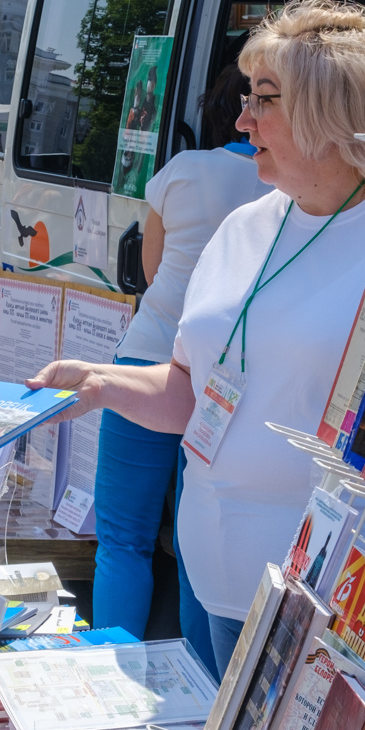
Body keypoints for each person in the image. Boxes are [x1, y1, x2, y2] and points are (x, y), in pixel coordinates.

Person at [33, 0, 365, 672]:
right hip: (217, 589)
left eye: (264, 100)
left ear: (332, 110)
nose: (242, 121)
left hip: (325, 612)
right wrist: (100, 383)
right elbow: (191, 388)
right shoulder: (248, 225)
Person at [92, 65, 269, 663]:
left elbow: (149, 271)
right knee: (197, 542)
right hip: (224, 384)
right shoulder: (289, 192)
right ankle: (197, 695)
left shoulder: (182, 172)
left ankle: (104, 675)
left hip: (147, 358)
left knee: (122, 541)